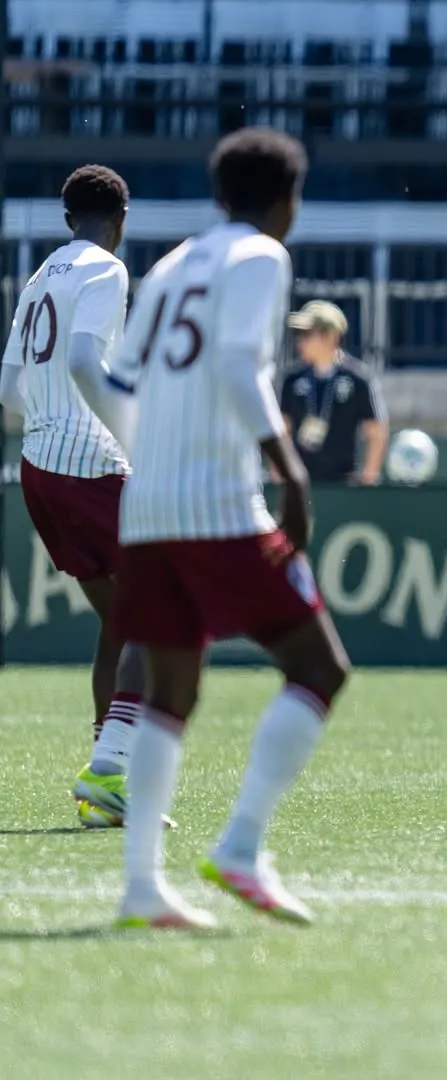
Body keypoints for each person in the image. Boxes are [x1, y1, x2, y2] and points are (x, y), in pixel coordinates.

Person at [97, 128, 349, 930]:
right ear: (285, 200)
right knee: (319, 667)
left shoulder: (172, 265)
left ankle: (143, 887)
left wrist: (150, 464)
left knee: (172, 689)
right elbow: (241, 367)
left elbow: (120, 377)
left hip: (148, 506)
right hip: (217, 503)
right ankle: (241, 846)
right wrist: (291, 471)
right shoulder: (261, 257)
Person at [0, 165, 148, 829]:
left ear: (67, 219)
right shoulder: (107, 271)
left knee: (122, 622)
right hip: (93, 470)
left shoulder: (39, 276)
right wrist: (130, 439)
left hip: (38, 469)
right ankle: (112, 771)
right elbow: (88, 360)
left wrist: (50, 424)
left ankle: (106, 785)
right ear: (121, 219)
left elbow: (8, 388)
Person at [281, 300, 388, 485]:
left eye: (307, 334)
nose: (300, 341)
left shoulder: (358, 378)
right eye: (300, 334)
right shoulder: (292, 379)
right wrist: (282, 473)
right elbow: (282, 430)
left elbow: (376, 430)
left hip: (346, 483)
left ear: (331, 336)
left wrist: (368, 476)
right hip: (300, 482)